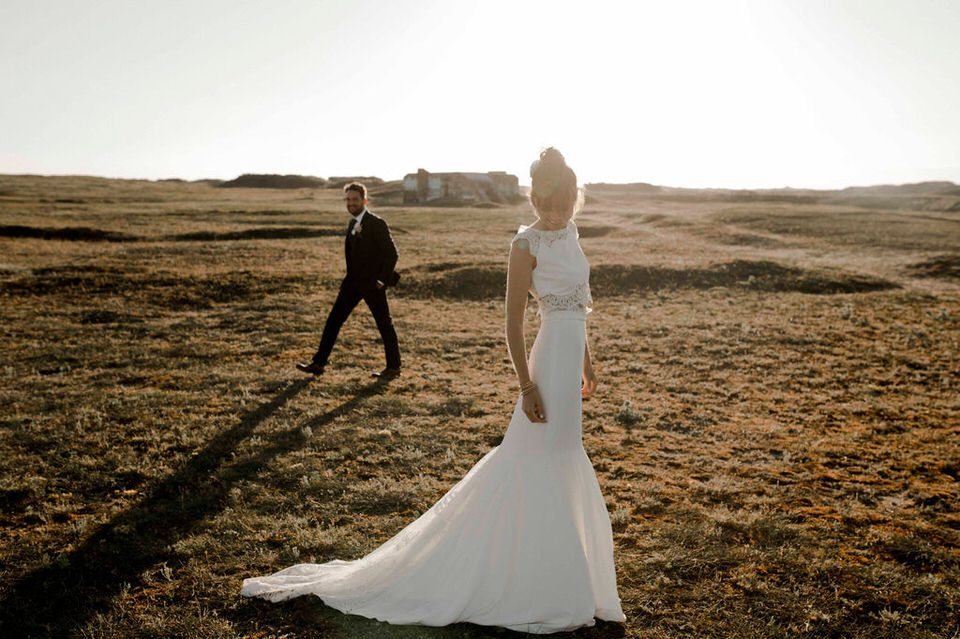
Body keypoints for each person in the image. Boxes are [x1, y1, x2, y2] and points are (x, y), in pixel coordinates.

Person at [244, 149, 626, 633]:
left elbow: (579, 306)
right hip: (546, 365)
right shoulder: (524, 244)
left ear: (574, 199)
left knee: (563, 456)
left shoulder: (571, 234)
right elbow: (512, 322)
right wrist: (526, 385)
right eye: (550, 205)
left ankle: (564, 575)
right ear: (535, 198)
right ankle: (527, 579)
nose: (557, 214)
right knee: (532, 459)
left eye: (566, 204)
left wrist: (588, 363)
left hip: (571, 362)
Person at [296, 182, 401, 379]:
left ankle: (394, 367)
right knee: (334, 320)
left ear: (364, 201)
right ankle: (318, 363)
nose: (351, 203)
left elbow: (392, 255)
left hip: (372, 285)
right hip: (352, 284)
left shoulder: (377, 223)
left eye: (355, 200)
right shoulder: (352, 224)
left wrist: (380, 281)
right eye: (349, 200)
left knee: (384, 324)